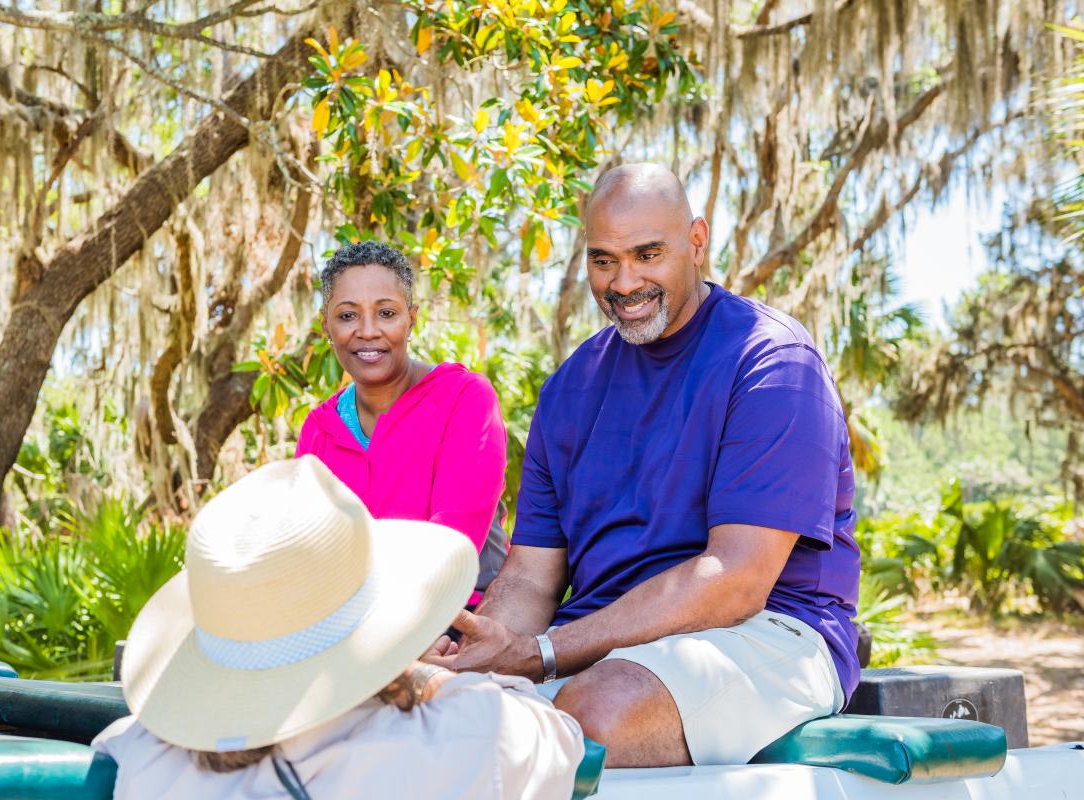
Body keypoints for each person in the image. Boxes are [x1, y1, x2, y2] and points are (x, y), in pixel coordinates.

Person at [428, 163, 861, 769]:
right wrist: (477, 649)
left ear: (697, 241)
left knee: (599, 713)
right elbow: (531, 578)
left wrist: (544, 654)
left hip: (771, 632)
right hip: (593, 645)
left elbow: (734, 581)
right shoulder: (569, 389)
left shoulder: (772, 362)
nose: (624, 281)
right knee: (423, 710)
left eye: (647, 254)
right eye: (603, 260)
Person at [93, 457, 585, 799]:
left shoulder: (143, 756)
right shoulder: (459, 741)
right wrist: (418, 674)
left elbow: (130, 734)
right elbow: (557, 734)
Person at [296, 241, 508, 603]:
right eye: (347, 316)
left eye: (386, 313)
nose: (367, 331)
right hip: (356, 624)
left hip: (466, 616)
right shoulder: (319, 431)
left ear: (412, 318)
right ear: (326, 325)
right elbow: (313, 553)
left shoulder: (464, 398)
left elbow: (453, 544)